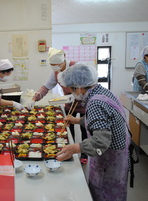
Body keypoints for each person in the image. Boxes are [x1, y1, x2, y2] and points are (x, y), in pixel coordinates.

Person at [56, 64, 131, 201]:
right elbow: (104, 122)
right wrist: (77, 121)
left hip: (109, 160)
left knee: (106, 194)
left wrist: (77, 147)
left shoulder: (95, 103)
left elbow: (100, 141)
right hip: (120, 153)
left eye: (72, 89)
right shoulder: (103, 92)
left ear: (78, 87)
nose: (73, 93)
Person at [27, 47, 88, 164]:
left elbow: (87, 84)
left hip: (84, 103)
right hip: (70, 104)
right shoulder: (56, 72)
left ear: (62, 61)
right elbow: (46, 87)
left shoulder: (76, 66)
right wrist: (35, 98)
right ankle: (71, 150)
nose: (54, 67)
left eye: (55, 64)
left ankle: (84, 154)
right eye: (51, 64)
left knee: (84, 128)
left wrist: (78, 95)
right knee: (68, 128)